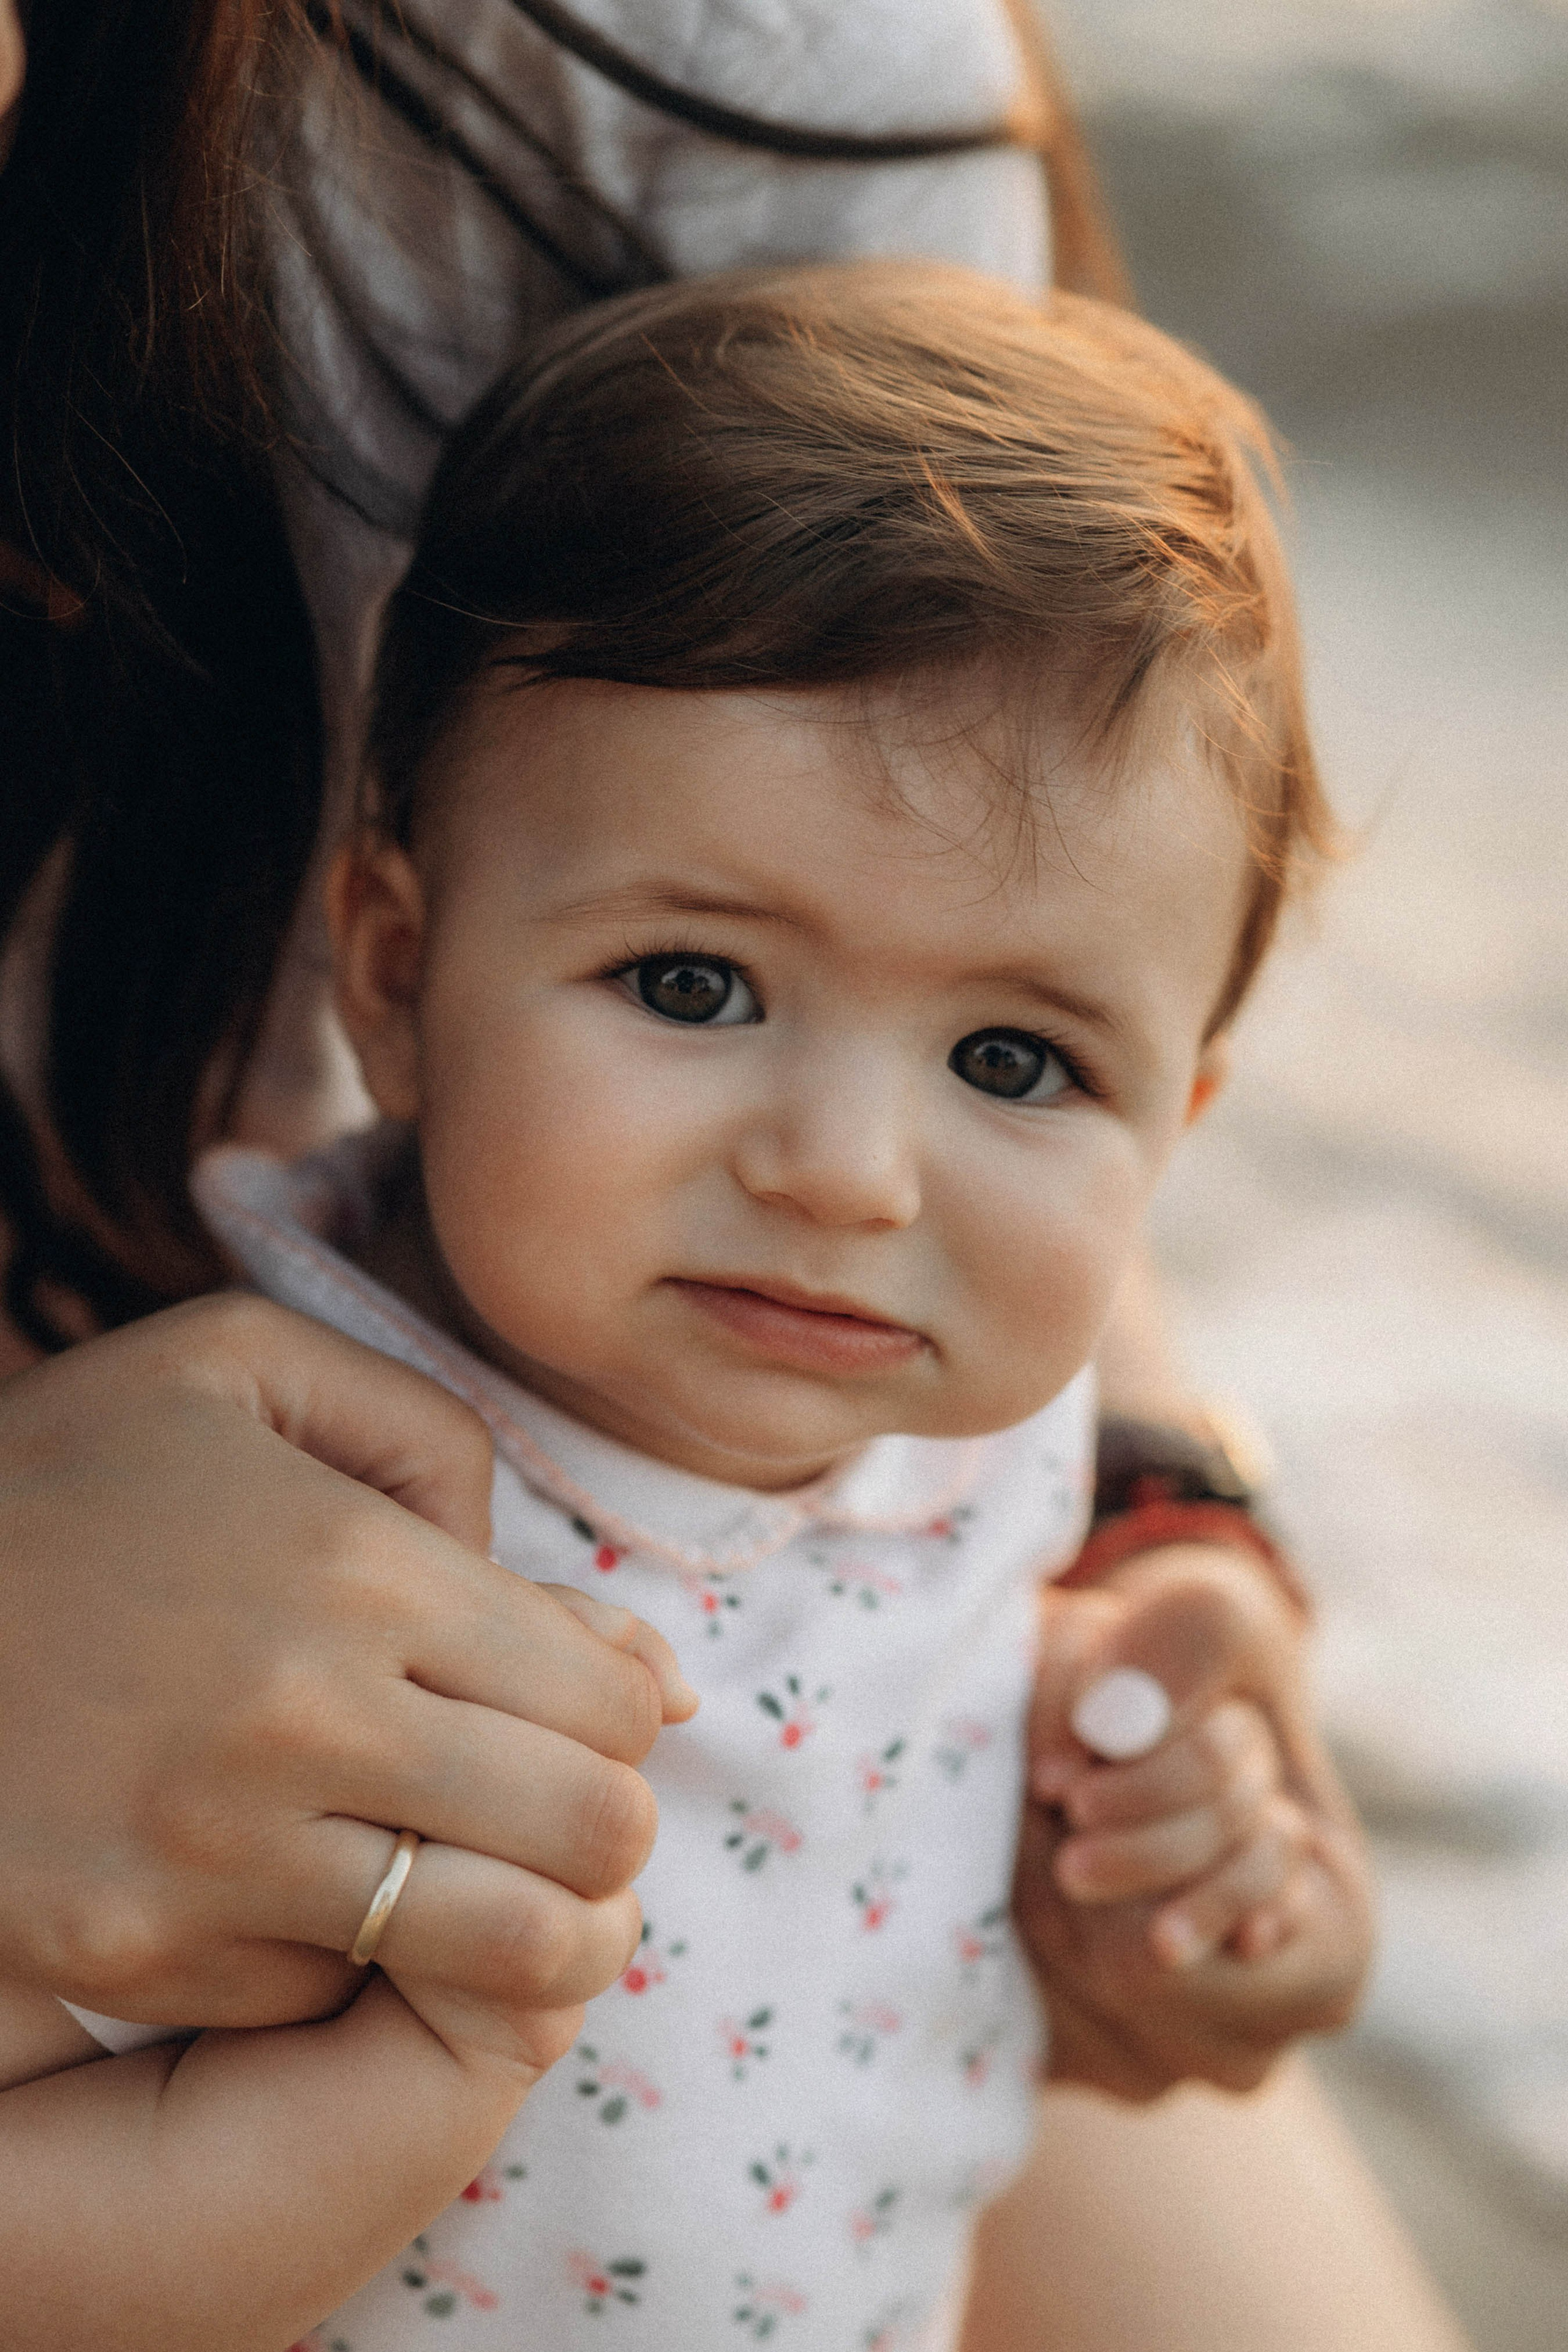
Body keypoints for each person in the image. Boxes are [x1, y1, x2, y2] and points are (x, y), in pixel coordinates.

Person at [0, 7, 1458, 2347]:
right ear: (396, 961)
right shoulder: (284, 1488)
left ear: (1177, 1127)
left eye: (1014, 1058)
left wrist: (1202, 1809)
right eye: (690, 988)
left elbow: (1028, 1865)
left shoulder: (972, 1480)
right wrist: (406, 2091)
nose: (848, 1171)